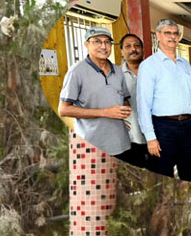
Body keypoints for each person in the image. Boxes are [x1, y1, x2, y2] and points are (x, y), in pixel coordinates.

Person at [57, 27, 135, 162]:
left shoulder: (118, 71)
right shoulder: (76, 72)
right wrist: (105, 112)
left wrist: (122, 113)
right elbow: (63, 109)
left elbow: (124, 100)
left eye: (107, 42)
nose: (103, 46)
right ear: (86, 44)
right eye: (97, 41)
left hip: (121, 142)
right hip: (93, 144)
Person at [137, 19, 191, 182]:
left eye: (175, 33)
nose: (172, 37)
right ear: (158, 35)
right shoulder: (149, 65)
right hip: (164, 127)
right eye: (167, 33)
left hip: (188, 125)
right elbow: (143, 104)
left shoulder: (185, 64)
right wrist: (150, 137)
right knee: (163, 174)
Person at [118, 32, 151, 170]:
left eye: (137, 46)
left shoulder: (153, 72)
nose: (133, 49)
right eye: (128, 46)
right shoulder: (115, 76)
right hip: (131, 136)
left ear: (143, 50)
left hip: (156, 135)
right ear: (121, 52)